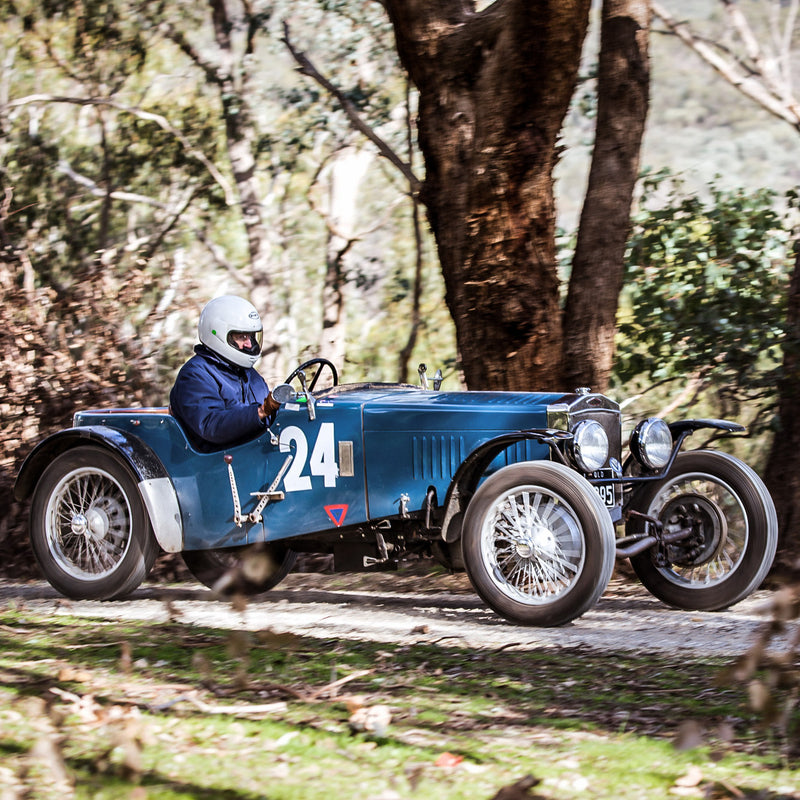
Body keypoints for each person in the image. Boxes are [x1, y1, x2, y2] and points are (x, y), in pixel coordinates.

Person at [169, 295, 281, 450]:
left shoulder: (249, 374)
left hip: (255, 455)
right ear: (218, 334)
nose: (249, 343)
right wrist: (259, 412)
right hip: (215, 465)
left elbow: (271, 418)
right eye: (241, 337)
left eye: (250, 336)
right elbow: (211, 426)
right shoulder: (195, 375)